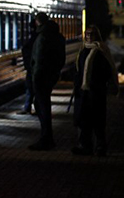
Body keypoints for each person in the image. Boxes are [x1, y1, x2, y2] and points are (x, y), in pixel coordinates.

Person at [72, 26, 119, 156]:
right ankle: (85, 146)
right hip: (83, 91)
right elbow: (79, 69)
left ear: (97, 35)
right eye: (87, 34)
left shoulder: (101, 50)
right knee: (83, 119)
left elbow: (108, 69)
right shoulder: (83, 49)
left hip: (96, 91)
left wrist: (99, 83)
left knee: (98, 120)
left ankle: (100, 147)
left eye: (92, 34)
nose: (89, 36)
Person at [29, 13, 66, 150]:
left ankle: (46, 138)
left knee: (41, 105)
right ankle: (46, 137)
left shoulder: (42, 37)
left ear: (38, 22)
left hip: (41, 77)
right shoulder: (58, 37)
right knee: (44, 105)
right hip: (51, 75)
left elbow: (38, 60)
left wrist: (35, 79)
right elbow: (61, 59)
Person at [18, 22, 38, 114]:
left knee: (31, 88)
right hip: (35, 67)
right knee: (32, 88)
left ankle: (29, 107)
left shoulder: (34, 39)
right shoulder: (39, 38)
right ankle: (30, 107)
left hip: (33, 67)